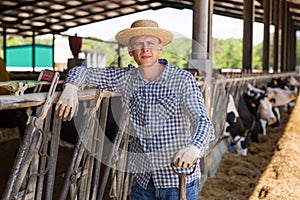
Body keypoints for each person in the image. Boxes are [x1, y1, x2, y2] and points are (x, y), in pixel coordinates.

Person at [56, 19, 214, 200]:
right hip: (144, 181)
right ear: (131, 51)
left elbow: (203, 121)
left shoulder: (182, 79)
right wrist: (70, 87)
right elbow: (83, 71)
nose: (145, 49)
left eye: (150, 44)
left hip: (177, 179)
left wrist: (194, 148)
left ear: (160, 48)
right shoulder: (127, 78)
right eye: (139, 44)